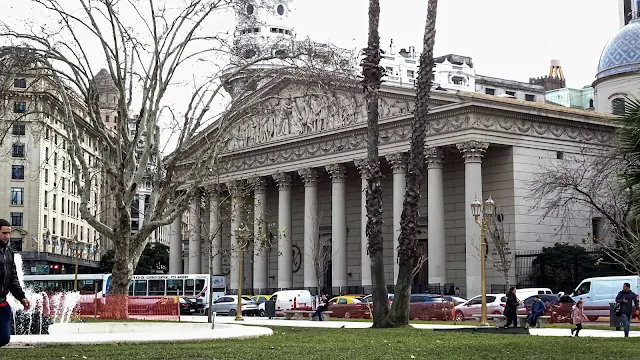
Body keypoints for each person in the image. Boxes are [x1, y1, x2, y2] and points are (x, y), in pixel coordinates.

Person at [0, 218, 30, 347]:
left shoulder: (9, 252)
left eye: (8, 233)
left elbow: (13, 278)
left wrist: (21, 297)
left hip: (2, 303)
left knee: (4, 338)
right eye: (4, 233)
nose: (7, 236)